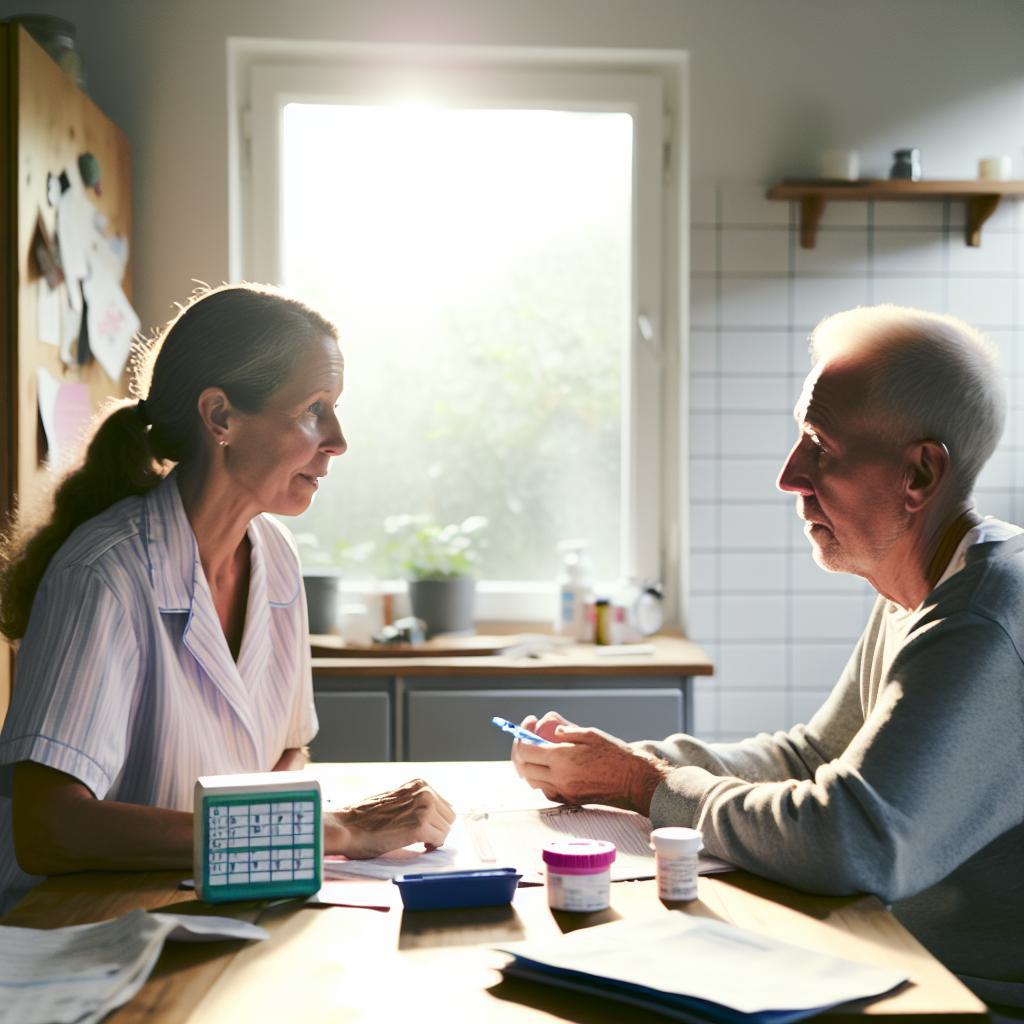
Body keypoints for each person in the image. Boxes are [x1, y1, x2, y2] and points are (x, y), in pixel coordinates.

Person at [513, 304, 1024, 1011]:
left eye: (821, 445)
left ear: (919, 474)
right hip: (902, 963)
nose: (790, 475)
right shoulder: (924, 584)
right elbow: (816, 756)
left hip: (966, 1000)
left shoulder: (979, 615)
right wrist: (626, 762)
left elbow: (851, 838)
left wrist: (642, 784)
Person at [0, 283, 454, 914]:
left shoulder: (277, 557)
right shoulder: (103, 572)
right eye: (314, 409)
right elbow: (47, 831)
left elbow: (284, 754)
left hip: (204, 908)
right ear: (220, 418)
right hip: (77, 928)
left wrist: (283, 851)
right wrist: (337, 832)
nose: (339, 439)